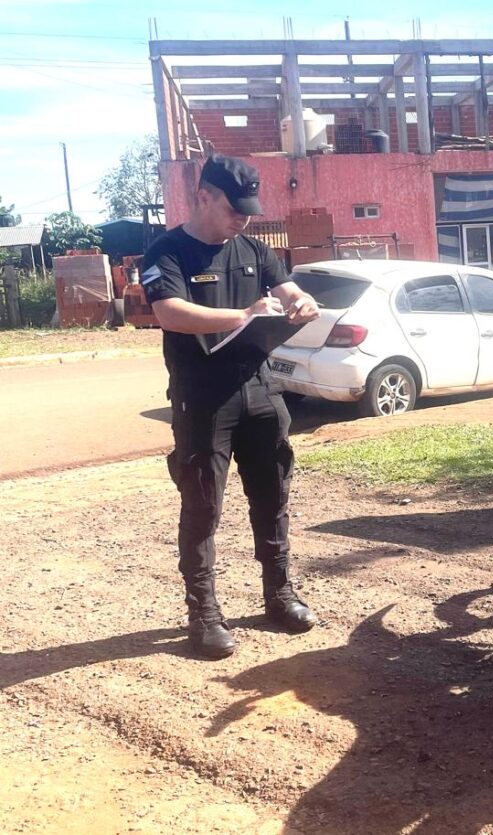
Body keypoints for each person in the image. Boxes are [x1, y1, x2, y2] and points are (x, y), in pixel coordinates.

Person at [141, 153, 322, 659]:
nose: (242, 217)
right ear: (203, 196)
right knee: (202, 508)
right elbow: (170, 313)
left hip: (261, 389)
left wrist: (299, 302)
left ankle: (279, 597)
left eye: (248, 209)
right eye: (232, 207)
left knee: (272, 498)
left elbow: (288, 290)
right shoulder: (167, 251)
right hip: (203, 399)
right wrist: (241, 314)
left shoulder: (256, 249)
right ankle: (204, 616)